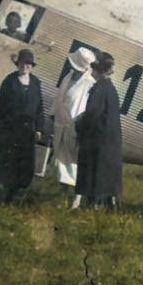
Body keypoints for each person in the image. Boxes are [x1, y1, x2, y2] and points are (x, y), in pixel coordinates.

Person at [0, 48, 45, 203]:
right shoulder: (9, 81)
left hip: (27, 131)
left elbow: (39, 108)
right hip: (10, 129)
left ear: (32, 66)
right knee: (6, 161)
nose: (25, 67)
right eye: (23, 63)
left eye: (29, 64)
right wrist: (0, 123)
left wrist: (39, 128)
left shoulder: (35, 83)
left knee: (23, 163)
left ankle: (13, 194)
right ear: (18, 64)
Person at [75, 51, 123, 211]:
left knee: (93, 173)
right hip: (110, 140)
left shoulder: (99, 89)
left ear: (98, 71)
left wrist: (79, 126)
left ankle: (93, 205)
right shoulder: (110, 88)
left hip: (98, 140)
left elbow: (92, 114)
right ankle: (109, 204)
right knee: (107, 175)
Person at [52, 47, 97, 209]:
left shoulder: (90, 83)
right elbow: (59, 98)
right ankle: (64, 196)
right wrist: (53, 114)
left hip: (75, 127)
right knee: (61, 161)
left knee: (74, 163)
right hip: (61, 124)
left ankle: (76, 199)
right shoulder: (69, 76)